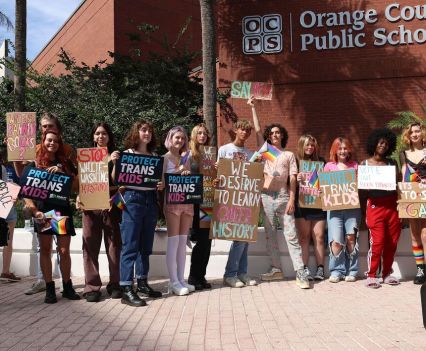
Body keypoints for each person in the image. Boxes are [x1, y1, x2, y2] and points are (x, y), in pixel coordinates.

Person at [249, 98, 310, 289]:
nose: (275, 135)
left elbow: (292, 179)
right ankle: (276, 269)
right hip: (266, 196)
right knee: (270, 234)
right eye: (272, 133)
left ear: (282, 136)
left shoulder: (289, 155)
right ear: (269, 136)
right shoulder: (266, 152)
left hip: (284, 197)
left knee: (291, 234)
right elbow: (258, 130)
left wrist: (292, 199)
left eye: (278, 133)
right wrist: (252, 107)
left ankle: (301, 272)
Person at [21, 130, 80, 303]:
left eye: (55, 141)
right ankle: (49, 288)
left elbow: (75, 186)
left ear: (59, 144)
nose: (52, 143)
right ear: (43, 141)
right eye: (49, 140)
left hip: (61, 211)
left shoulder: (65, 162)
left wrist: (63, 172)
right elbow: (26, 191)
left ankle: (67, 287)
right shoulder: (34, 163)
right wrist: (34, 211)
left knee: (64, 251)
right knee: (45, 250)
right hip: (44, 212)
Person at [112, 120, 163, 307]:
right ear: (136, 133)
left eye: (149, 130)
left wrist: (161, 185)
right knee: (130, 245)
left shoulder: (155, 156)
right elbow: (115, 179)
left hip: (150, 200)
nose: (147, 133)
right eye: (143, 130)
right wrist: (115, 163)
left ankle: (142, 282)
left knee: (145, 245)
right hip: (132, 200)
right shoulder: (127, 154)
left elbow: (159, 181)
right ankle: (126, 288)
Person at [77, 123, 122, 302]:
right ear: (93, 137)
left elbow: (118, 183)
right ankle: (92, 287)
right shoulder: (86, 156)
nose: (101, 136)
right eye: (97, 134)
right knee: (89, 246)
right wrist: (78, 197)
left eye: (104, 134)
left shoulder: (116, 155)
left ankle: (115, 284)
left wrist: (113, 162)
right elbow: (81, 182)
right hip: (90, 205)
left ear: (109, 137)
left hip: (111, 204)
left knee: (114, 246)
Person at [218, 119, 258, 288]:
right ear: (235, 130)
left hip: (246, 199)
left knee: (245, 237)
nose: (244, 133)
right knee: (239, 238)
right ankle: (230, 274)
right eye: (242, 129)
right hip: (230, 198)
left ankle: (242, 273)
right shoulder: (225, 150)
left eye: (247, 131)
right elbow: (218, 173)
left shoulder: (250, 154)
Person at [362, 128, 401, 288]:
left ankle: (386, 274)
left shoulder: (392, 163)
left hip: (392, 205)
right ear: (374, 143)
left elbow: (398, 186)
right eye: (380, 142)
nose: (383, 145)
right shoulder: (364, 164)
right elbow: (360, 190)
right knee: (377, 242)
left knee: (392, 242)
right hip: (375, 206)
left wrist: (402, 207)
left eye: (386, 143)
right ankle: (371, 275)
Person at [324, 137, 362, 283]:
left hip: (352, 209)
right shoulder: (328, 166)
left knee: (351, 238)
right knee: (336, 240)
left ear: (349, 150)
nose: (342, 151)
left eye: (345, 148)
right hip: (334, 210)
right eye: (339, 148)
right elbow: (323, 187)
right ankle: (336, 271)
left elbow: (359, 186)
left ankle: (352, 270)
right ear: (335, 150)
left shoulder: (355, 166)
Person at [163, 126, 195, 296]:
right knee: (173, 241)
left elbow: (189, 179)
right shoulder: (165, 158)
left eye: (183, 138)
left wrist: (186, 173)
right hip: (172, 203)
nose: (180, 141)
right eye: (177, 138)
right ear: (170, 138)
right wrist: (178, 171)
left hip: (186, 202)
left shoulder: (186, 158)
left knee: (183, 242)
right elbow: (160, 184)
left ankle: (181, 280)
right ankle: (173, 281)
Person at [295, 134, 327, 281]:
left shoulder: (321, 162)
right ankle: (305, 268)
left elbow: (326, 182)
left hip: (317, 204)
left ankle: (320, 269)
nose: (310, 147)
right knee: (304, 238)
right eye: (307, 144)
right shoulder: (295, 162)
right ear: (302, 146)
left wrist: (323, 188)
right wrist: (297, 179)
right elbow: (289, 185)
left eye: (312, 145)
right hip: (302, 204)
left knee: (319, 237)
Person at [399, 122, 426, 284]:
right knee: (415, 234)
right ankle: (420, 269)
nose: (415, 134)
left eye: (417, 131)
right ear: (407, 136)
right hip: (411, 197)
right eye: (411, 132)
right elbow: (404, 176)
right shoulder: (404, 154)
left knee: (425, 234)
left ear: (422, 133)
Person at [187, 123, 213, 290]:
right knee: (198, 241)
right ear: (194, 135)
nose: (203, 136)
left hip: (208, 201)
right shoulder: (189, 155)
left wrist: (216, 175)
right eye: (200, 133)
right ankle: (193, 277)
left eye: (205, 133)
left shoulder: (210, 155)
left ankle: (201, 276)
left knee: (206, 241)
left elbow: (212, 178)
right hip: (194, 204)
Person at [0, 152, 20, 282]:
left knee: (8, 240)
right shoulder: (2, 168)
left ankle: (6, 272)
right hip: (5, 203)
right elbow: (6, 186)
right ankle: (5, 271)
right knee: (8, 240)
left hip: (5, 203)